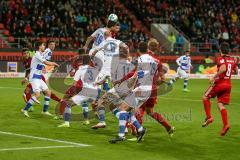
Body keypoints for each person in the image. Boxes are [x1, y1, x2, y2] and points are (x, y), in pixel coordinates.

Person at [202, 42, 238, 136]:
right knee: (220, 104)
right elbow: (236, 71)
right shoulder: (232, 60)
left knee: (205, 97)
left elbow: (223, 68)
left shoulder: (221, 59)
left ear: (220, 50)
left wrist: (214, 77)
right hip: (228, 85)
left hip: (220, 84)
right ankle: (226, 124)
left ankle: (209, 117)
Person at [21, 42, 59, 117]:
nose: (44, 46)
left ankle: (45, 111)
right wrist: (54, 63)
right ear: (39, 47)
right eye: (42, 45)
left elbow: (44, 63)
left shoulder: (41, 54)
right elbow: (45, 62)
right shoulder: (37, 54)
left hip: (38, 77)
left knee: (48, 92)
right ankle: (25, 110)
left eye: (44, 45)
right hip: (34, 77)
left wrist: (44, 68)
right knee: (37, 95)